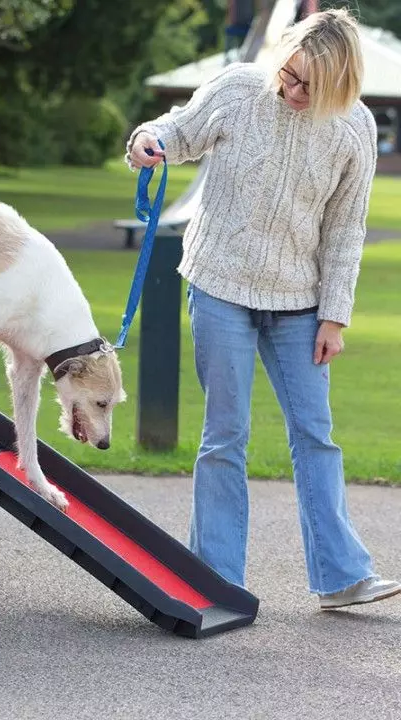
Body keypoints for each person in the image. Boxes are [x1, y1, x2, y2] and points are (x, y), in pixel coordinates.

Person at [125, 8, 400, 609]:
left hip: (299, 303)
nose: (292, 90)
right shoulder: (241, 88)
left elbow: (345, 231)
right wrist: (151, 143)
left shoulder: (354, 129)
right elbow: (176, 130)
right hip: (221, 285)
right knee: (226, 434)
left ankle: (341, 577)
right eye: (291, 75)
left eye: (309, 86)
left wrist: (335, 314)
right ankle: (215, 580)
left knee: (316, 434)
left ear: (340, 85)